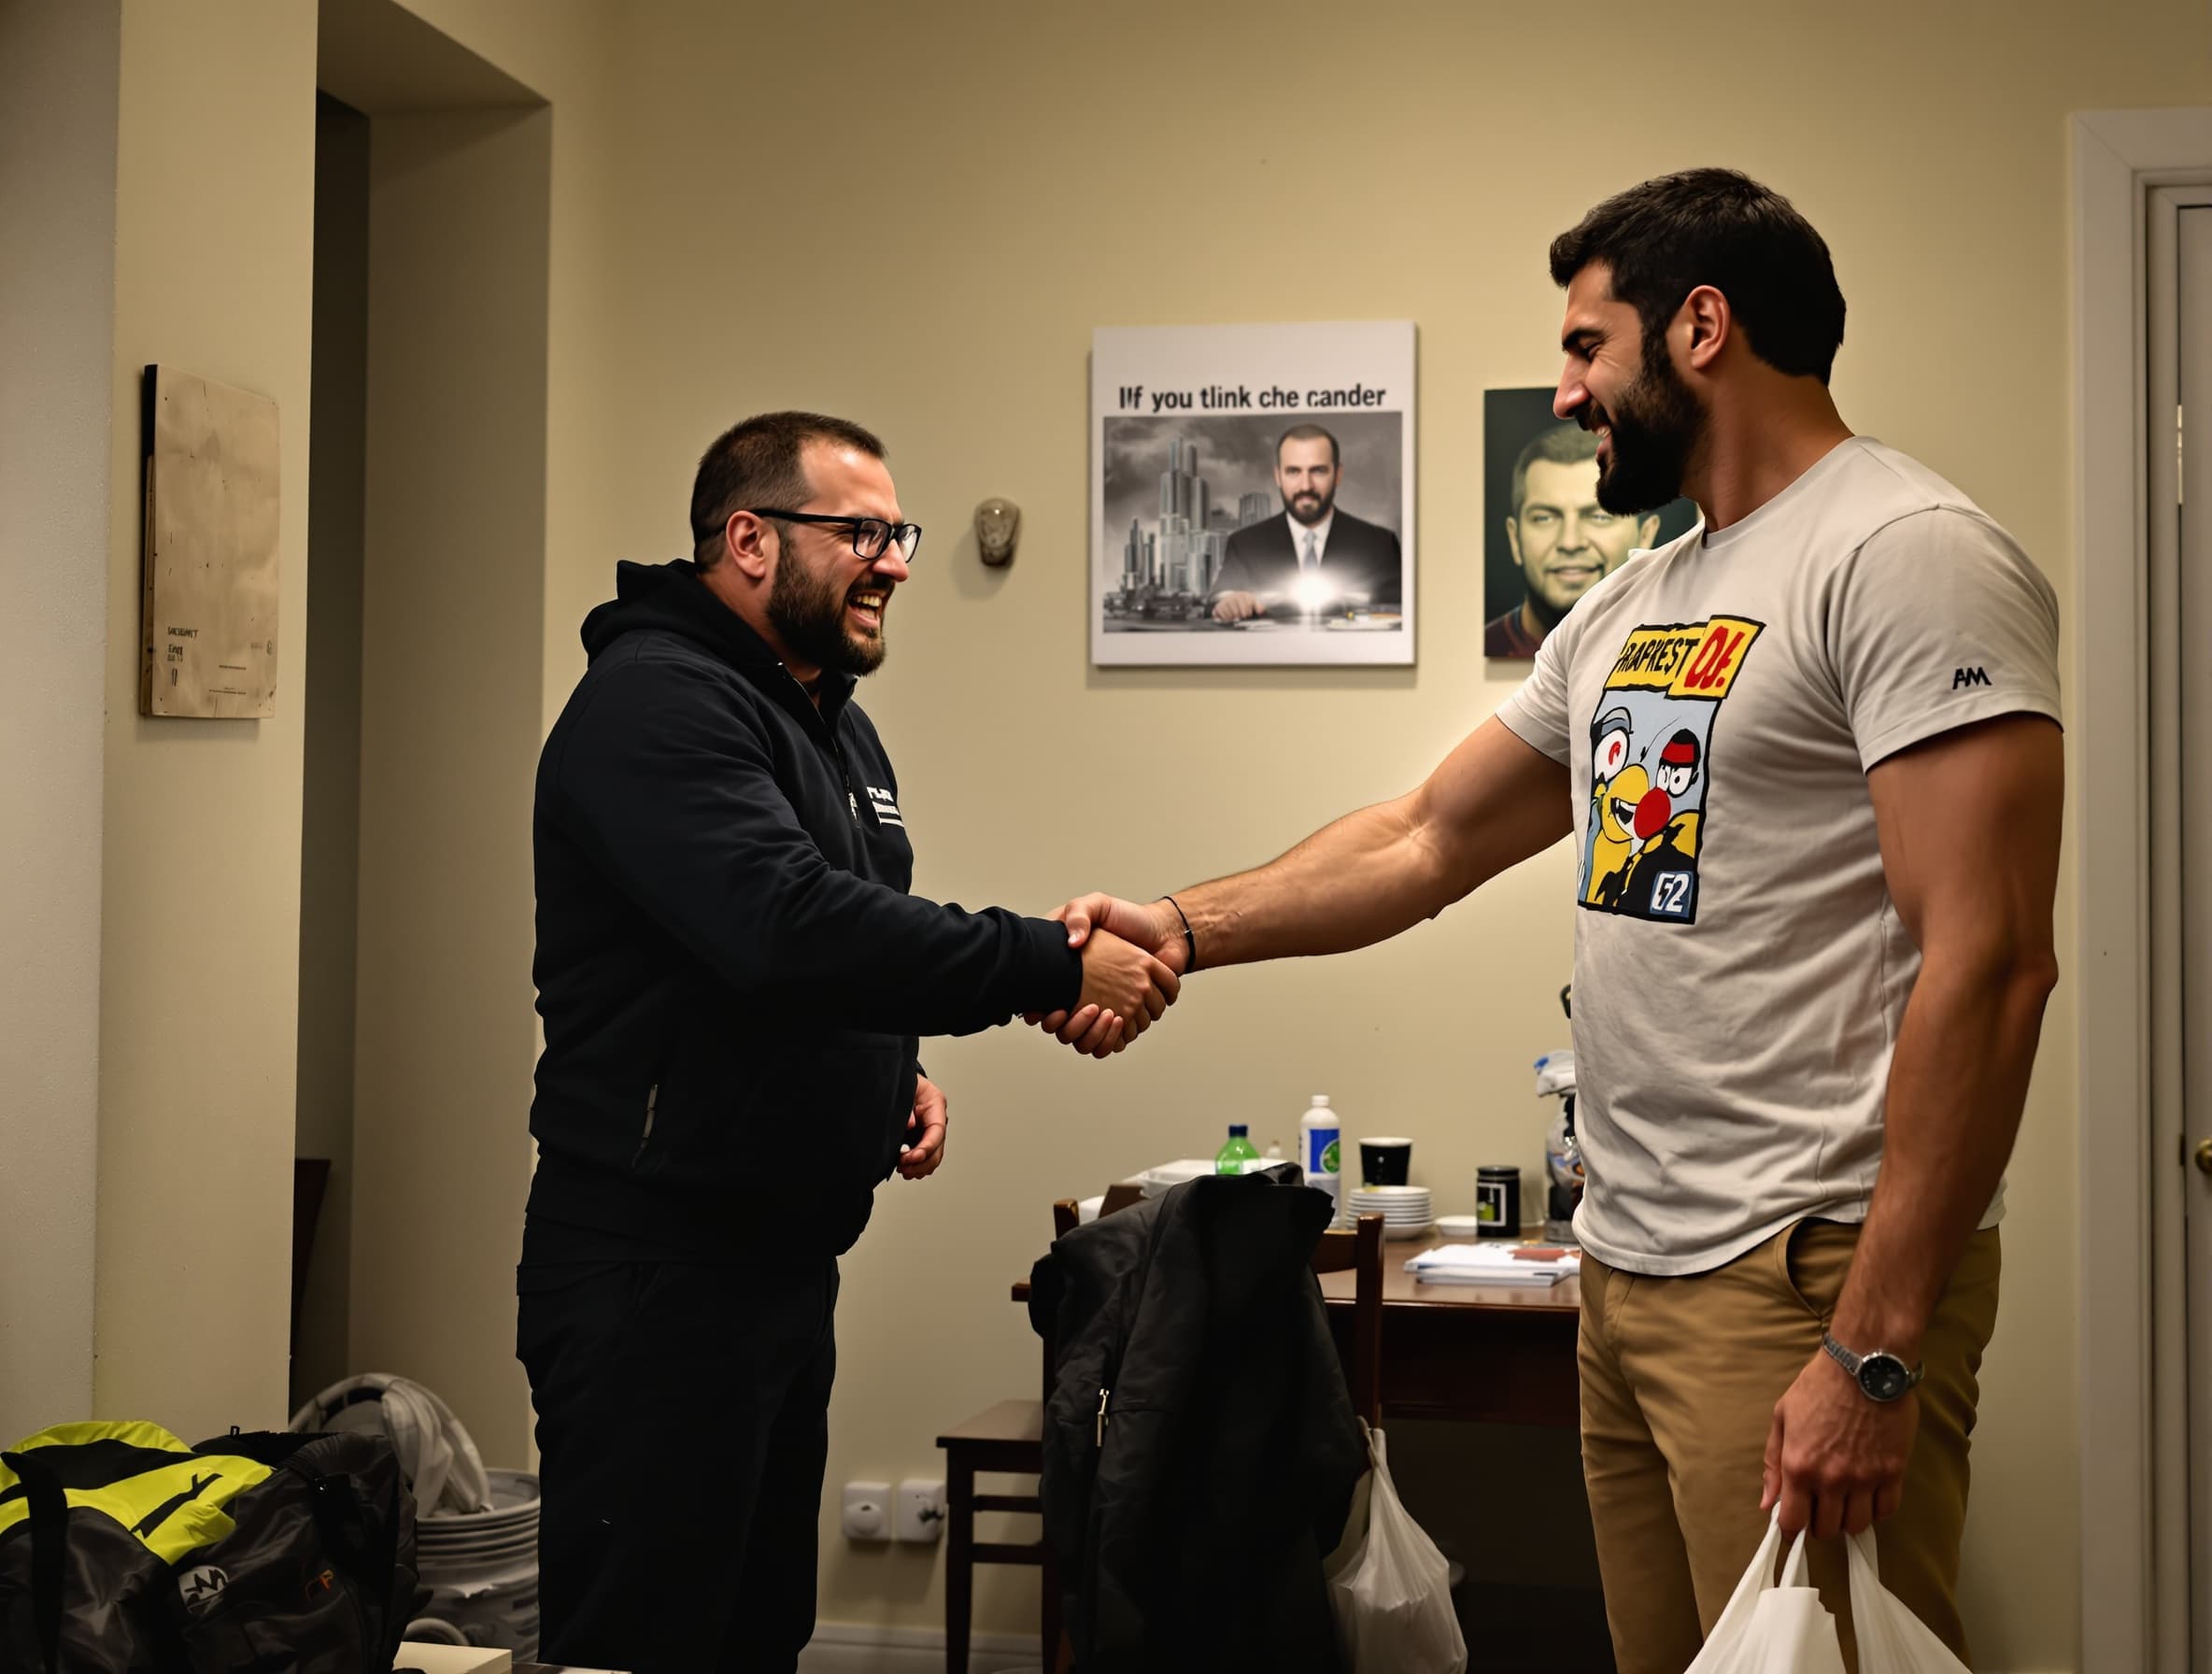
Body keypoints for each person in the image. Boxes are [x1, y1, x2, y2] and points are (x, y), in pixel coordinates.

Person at [1036, 170, 2062, 1673]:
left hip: (1799, 1269)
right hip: (1631, 1265)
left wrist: (1873, 1345)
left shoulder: (1906, 553)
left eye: (1589, 345)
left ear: (1701, 327)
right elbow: (1428, 834)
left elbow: (1992, 961)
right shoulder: (1644, 596)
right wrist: (1184, 924)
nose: (1570, 388)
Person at [518, 411, 1180, 1674]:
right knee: (647, 1643)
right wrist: (1050, 959)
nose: (895, 561)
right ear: (750, 540)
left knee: (761, 1633)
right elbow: (786, 926)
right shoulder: (654, 706)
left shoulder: (832, 722)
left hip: (778, 1268)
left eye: (899, 532)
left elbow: (805, 955)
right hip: (653, 1276)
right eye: (861, 532)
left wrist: (890, 1069)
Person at [1485, 421, 1659, 656]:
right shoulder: (1487, 644)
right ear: (1515, 539)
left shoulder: (1679, 652)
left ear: (1646, 535)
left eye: (1598, 517)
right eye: (1544, 518)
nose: (1570, 542)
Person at [1209, 423, 1403, 621]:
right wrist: (1229, 602)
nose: (1306, 485)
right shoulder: (1244, 545)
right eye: (1293, 471)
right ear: (1278, 477)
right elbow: (1218, 601)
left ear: (1338, 475)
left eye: (1318, 471)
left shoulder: (1381, 545)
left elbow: (1399, 615)